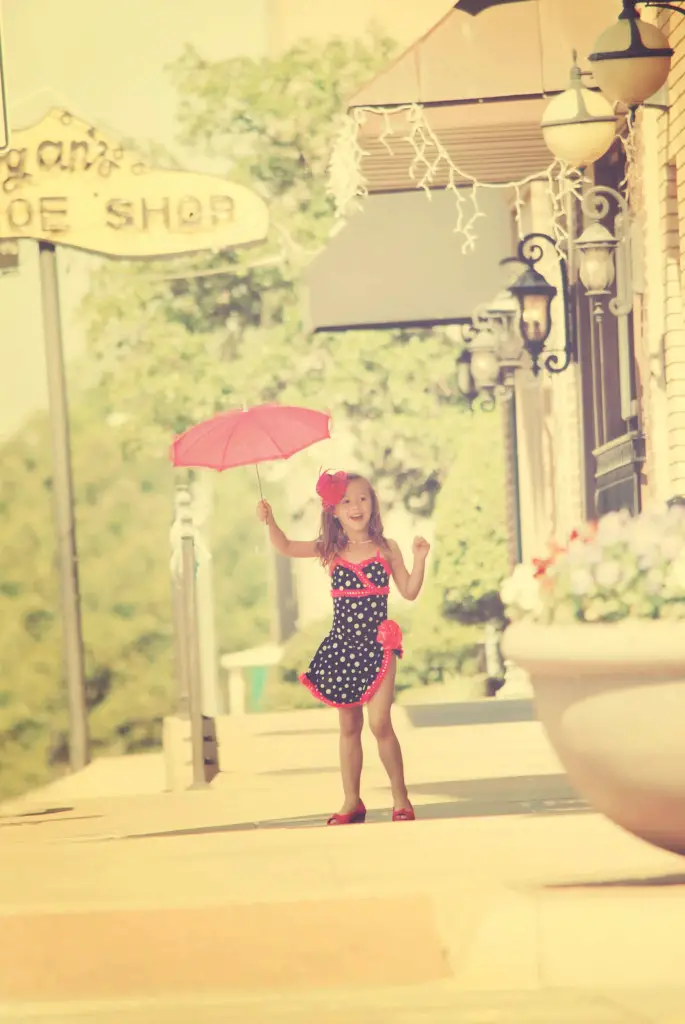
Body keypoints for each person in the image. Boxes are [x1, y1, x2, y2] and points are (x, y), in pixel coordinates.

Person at [257, 470, 430, 825]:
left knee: (380, 722)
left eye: (363, 498)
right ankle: (352, 800)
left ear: (373, 505)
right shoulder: (331, 549)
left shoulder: (386, 548)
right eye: (347, 501)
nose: (356, 506)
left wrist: (420, 558)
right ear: (333, 510)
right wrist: (270, 520)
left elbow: (409, 591)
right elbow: (287, 546)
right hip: (343, 646)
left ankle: (401, 798)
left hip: (379, 645)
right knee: (349, 726)